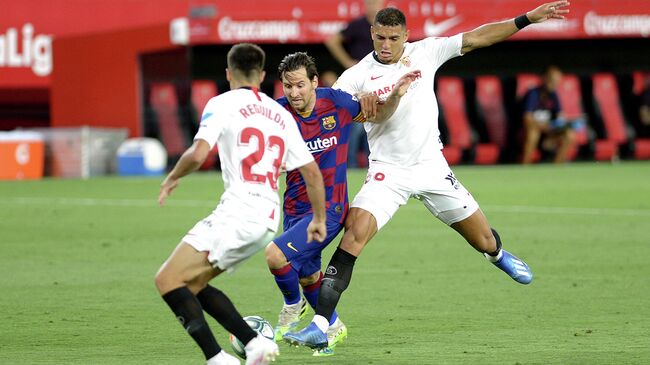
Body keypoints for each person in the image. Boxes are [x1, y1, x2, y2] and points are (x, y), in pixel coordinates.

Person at [284, 2, 570, 350]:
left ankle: (497, 255)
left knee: (482, 239)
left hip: (432, 168)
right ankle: (320, 323)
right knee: (353, 234)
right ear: (372, 35)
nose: (385, 45)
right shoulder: (355, 76)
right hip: (387, 172)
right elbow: (341, 109)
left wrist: (525, 19)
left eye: (393, 37)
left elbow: (479, 38)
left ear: (406, 35)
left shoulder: (427, 51)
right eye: (379, 37)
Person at [154, 43, 328, 365]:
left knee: (167, 280)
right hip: (265, 221)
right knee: (192, 282)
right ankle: (252, 344)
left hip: (237, 211)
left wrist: (173, 176)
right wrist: (319, 218)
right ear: (262, 76)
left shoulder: (222, 103)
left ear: (228, 73)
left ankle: (218, 358)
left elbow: (198, 152)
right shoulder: (280, 114)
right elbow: (312, 172)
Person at [265, 51, 418, 356]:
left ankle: (292, 306)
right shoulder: (277, 114)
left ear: (314, 82)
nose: (294, 93)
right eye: (287, 86)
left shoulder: (337, 103)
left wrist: (396, 95)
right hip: (294, 206)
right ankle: (332, 329)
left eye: (299, 85)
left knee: (275, 256)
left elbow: (379, 114)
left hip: (330, 210)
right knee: (308, 275)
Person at [325, 0, 385, 168]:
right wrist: (347, 62)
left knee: (377, 121)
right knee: (357, 125)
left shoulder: (386, 26)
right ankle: (350, 165)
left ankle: (374, 164)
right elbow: (332, 41)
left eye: (375, 3)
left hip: (381, 79)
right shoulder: (357, 25)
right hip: (360, 82)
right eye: (370, 3)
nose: (372, 6)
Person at [521, 65, 583, 164]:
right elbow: (527, 119)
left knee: (570, 135)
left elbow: (560, 116)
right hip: (531, 131)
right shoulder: (533, 93)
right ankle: (525, 166)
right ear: (544, 78)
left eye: (558, 80)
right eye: (552, 79)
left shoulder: (554, 95)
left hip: (548, 133)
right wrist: (545, 128)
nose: (555, 83)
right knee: (533, 134)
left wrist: (567, 124)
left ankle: (556, 166)